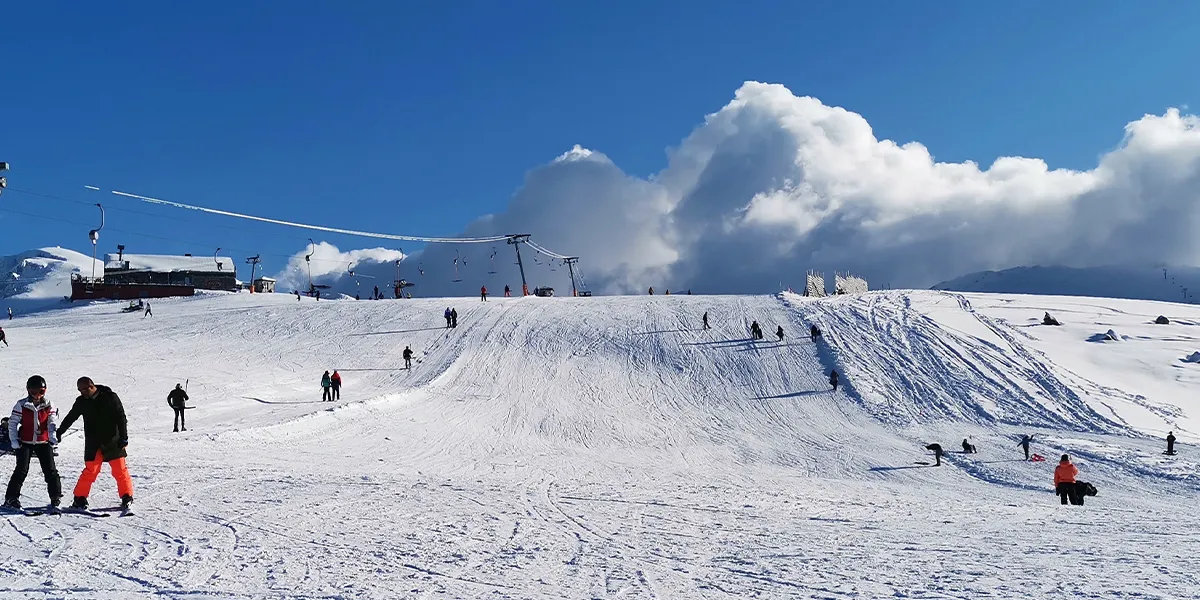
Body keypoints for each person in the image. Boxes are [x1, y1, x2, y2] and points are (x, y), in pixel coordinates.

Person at [58, 377, 134, 512]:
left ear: (91, 386)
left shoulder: (110, 397)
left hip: (113, 441)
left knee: (120, 470)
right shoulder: (81, 401)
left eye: (84, 390)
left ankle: (127, 496)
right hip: (93, 443)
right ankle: (79, 498)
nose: (82, 393)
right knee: (90, 471)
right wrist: (59, 432)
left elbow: (121, 417)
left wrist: (124, 437)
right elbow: (71, 417)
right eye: (80, 390)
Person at [4, 376, 62, 510]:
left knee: (50, 470)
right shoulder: (22, 404)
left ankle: (55, 497)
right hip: (25, 442)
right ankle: (11, 498)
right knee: (21, 470)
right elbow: (13, 423)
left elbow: (52, 421)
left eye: (41, 391)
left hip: (43, 442)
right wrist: (14, 440)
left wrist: (52, 436)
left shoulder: (48, 404)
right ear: (28, 390)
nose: (37, 395)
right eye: (34, 392)